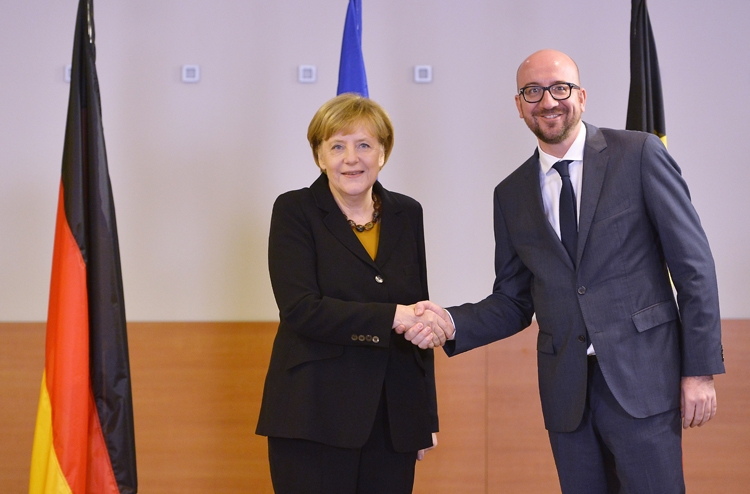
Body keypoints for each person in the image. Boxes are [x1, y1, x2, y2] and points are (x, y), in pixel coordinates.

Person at [403, 49, 725, 493]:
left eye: (560, 88)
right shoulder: (510, 194)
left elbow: (694, 267)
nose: (548, 101)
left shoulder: (638, 154)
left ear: (582, 96)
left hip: (644, 382)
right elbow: (513, 301)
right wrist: (450, 322)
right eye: (532, 91)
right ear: (519, 105)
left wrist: (700, 371)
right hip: (567, 394)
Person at [256, 93, 448, 494]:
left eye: (364, 145)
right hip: (313, 416)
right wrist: (391, 316)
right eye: (337, 146)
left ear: (383, 153)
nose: (351, 158)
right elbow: (301, 310)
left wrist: (423, 415)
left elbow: (418, 312)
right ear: (320, 156)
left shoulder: (406, 213)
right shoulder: (295, 211)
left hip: (394, 419)